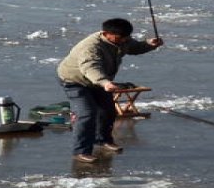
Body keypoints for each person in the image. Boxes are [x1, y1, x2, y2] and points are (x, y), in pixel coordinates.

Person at [57, 18, 163, 163]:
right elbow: (90, 67)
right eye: (120, 38)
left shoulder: (122, 39)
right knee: (87, 114)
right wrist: (104, 82)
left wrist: (149, 45)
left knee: (108, 111)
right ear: (106, 34)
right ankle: (80, 151)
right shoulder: (91, 47)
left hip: (100, 82)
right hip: (75, 81)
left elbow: (134, 47)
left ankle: (102, 140)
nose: (124, 41)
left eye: (126, 37)